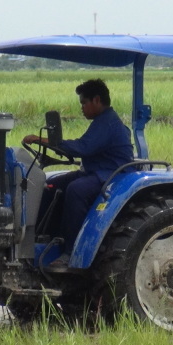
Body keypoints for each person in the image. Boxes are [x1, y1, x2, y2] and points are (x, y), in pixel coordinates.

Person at [22, 79, 133, 272]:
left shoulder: (108, 123)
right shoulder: (102, 121)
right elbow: (84, 146)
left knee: (76, 190)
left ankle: (70, 251)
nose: (81, 108)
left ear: (96, 100)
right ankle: (40, 238)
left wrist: (43, 140)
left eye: (83, 102)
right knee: (50, 185)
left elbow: (83, 147)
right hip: (96, 171)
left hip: (112, 175)